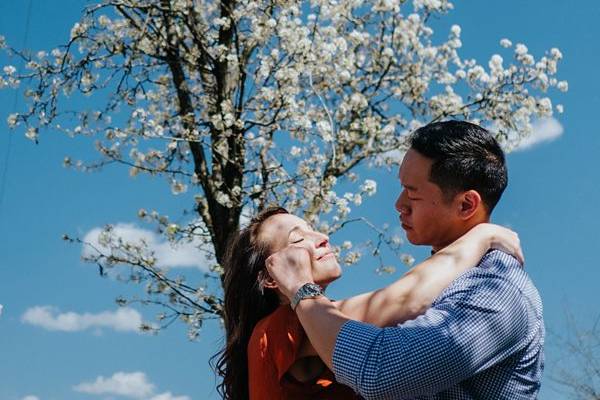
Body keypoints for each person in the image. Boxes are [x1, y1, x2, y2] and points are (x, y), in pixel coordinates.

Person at [266, 120, 544, 399]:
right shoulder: (445, 278)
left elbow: (381, 372)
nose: (399, 204)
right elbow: (391, 302)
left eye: (413, 194)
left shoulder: (498, 294)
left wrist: (303, 291)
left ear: (466, 205)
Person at [214, 201, 525, 399]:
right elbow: (405, 300)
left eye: (312, 229)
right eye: (298, 239)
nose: (320, 237)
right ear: (270, 277)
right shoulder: (279, 327)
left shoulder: (317, 321)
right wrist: (481, 236)